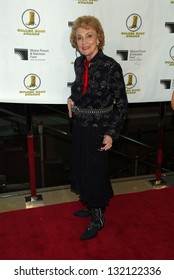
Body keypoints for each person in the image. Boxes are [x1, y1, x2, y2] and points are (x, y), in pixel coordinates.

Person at [67, 15, 128, 240]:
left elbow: (121, 105)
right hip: (80, 125)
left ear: (99, 38)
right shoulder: (79, 63)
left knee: (95, 173)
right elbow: (78, 90)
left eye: (89, 36)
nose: (84, 42)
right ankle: (93, 206)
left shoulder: (112, 66)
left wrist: (111, 134)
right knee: (82, 167)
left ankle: (97, 218)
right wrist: (70, 99)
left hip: (99, 128)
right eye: (80, 38)